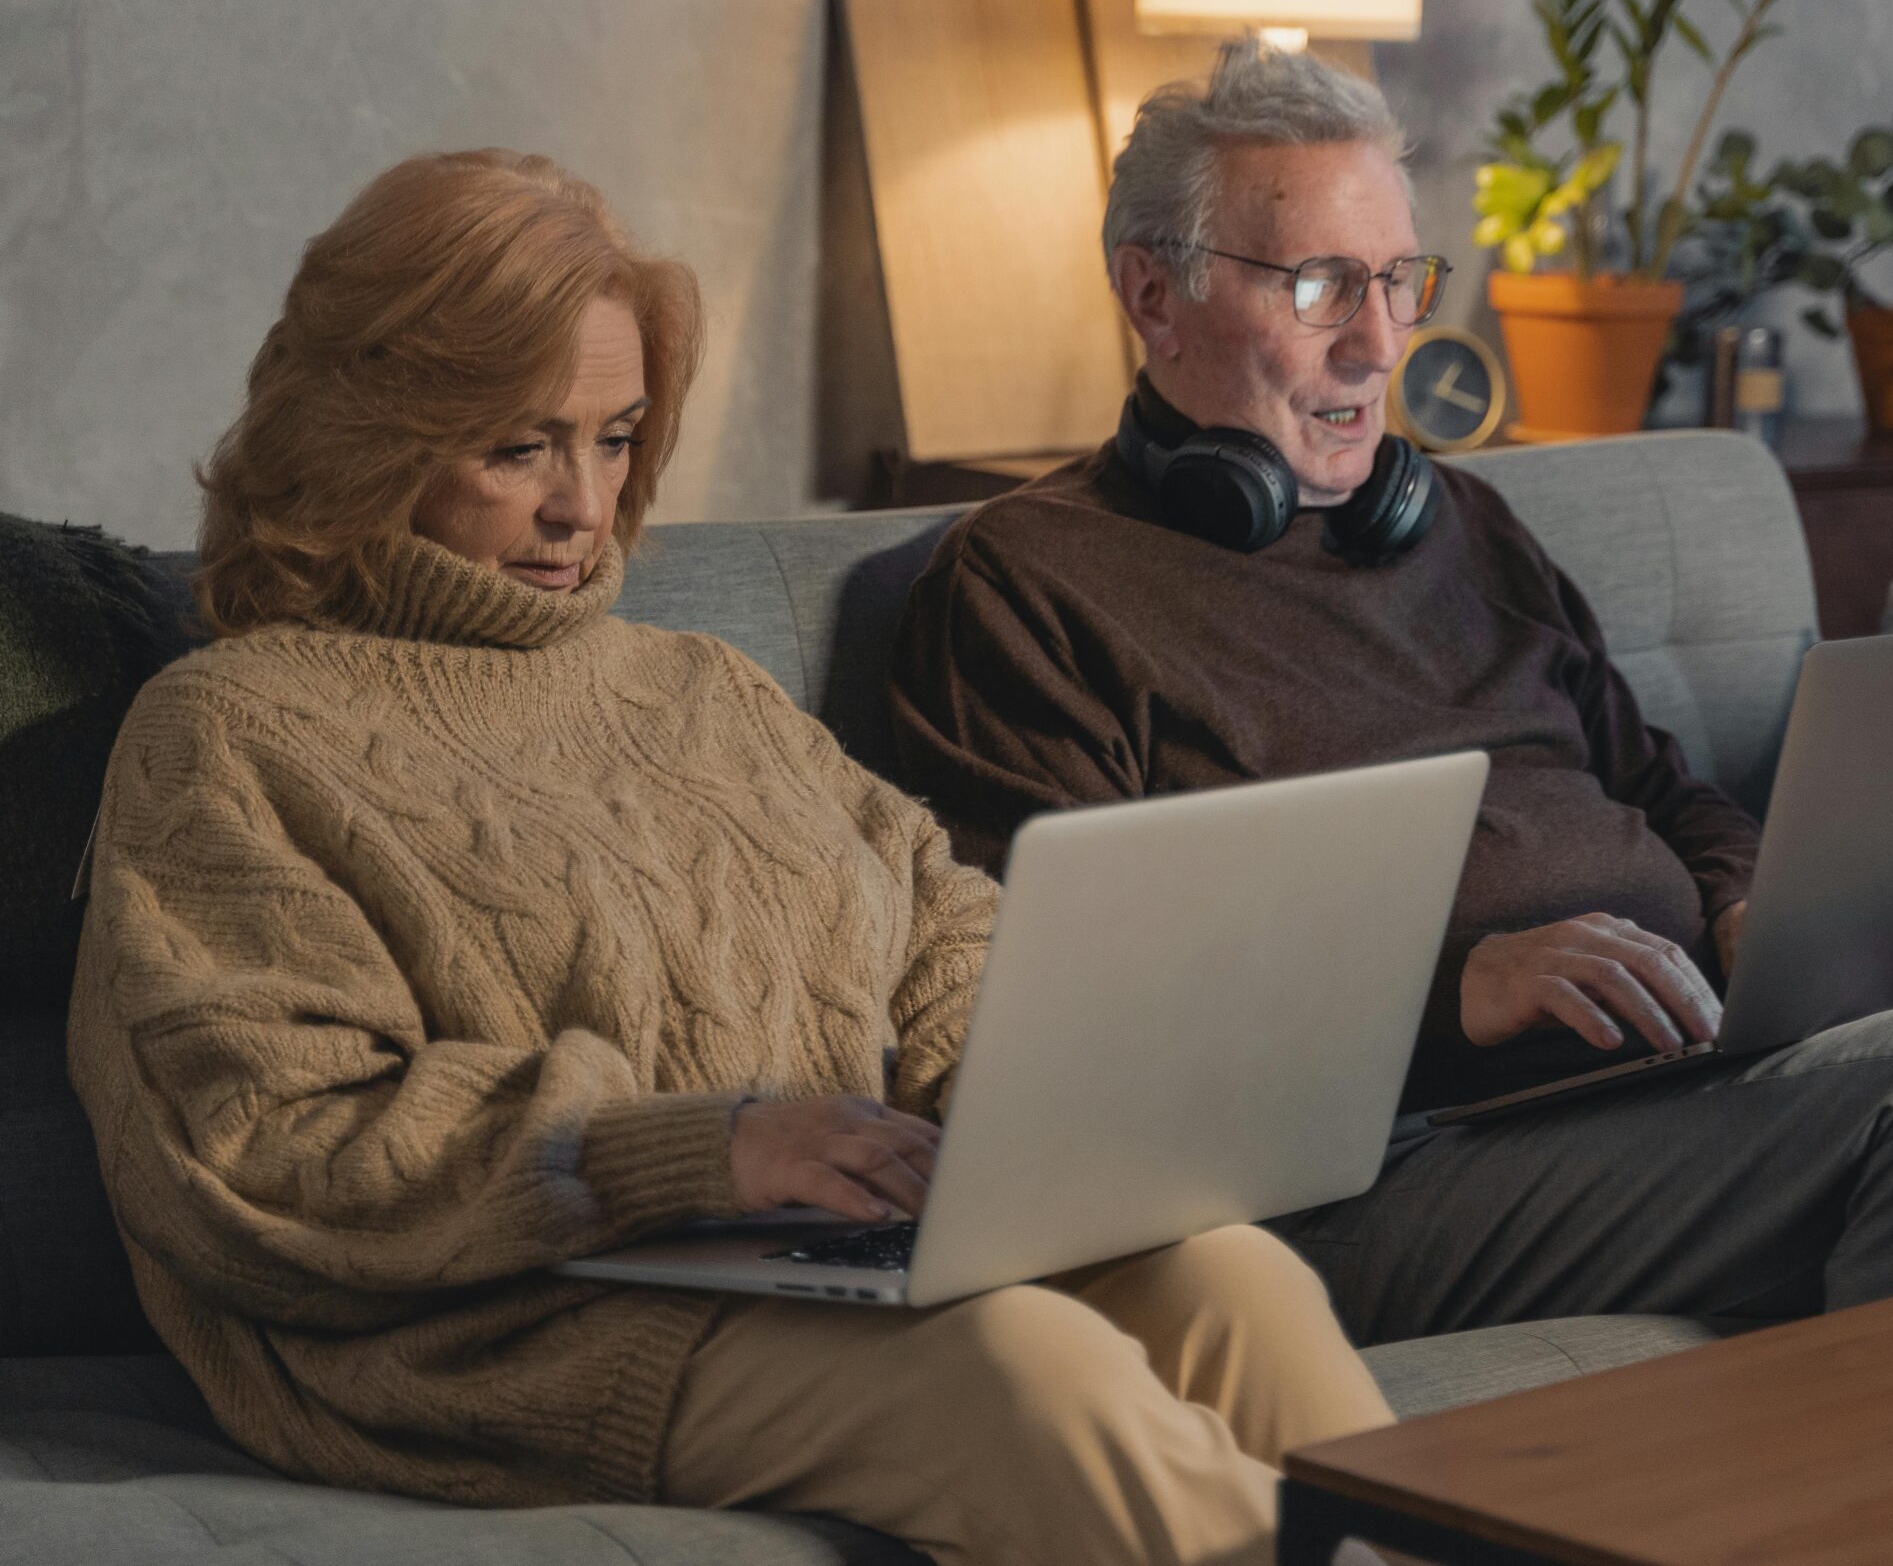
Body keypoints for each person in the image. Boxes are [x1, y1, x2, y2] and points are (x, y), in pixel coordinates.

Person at [67, 149, 1393, 1566]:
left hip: (822, 1261)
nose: (584, 508)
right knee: (1023, 1371)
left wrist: (1027, 1110)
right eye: (519, 448)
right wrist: (703, 1151)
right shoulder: (228, 731)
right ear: (364, 436)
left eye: (618, 436)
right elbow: (259, 1154)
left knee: (1230, 1277)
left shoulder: (698, 686)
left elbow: (929, 928)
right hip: (500, 1325)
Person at [888, 43, 1893, 1345]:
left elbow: (1665, 789)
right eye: (1318, 285)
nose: (1378, 347)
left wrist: (1762, 906)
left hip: (1676, 1063)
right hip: (1380, 1167)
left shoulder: (1455, 522)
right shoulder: (1026, 586)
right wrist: (1458, 990)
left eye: (1399, 281)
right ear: (1154, 293)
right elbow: (1064, 1026)